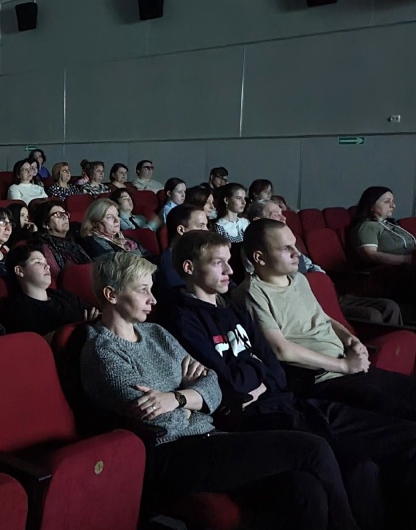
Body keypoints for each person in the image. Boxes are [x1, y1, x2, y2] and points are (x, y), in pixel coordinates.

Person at [80, 252, 361, 530]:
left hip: (208, 436)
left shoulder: (156, 333)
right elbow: (160, 420)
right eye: (143, 290)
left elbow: (212, 383)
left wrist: (178, 398)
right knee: (313, 448)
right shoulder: (103, 352)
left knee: (304, 487)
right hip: (171, 454)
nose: (153, 299)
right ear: (111, 295)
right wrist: (192, 397)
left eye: (152, 290)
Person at [166, 230, 416, 529]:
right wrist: (257, 370)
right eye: (218, 263)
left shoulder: (231, 307)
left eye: (229, 261)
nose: (230, 270)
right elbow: (229, 384)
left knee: (405, 436)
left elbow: (276, 371)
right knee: (359, 467)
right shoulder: (182, 318)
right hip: (258, 418)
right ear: (189, 267)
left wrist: (257, 374)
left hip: (292, 402)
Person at [236, 219, 416, 421]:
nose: (297, 253)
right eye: (286, 248)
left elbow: (323, 318)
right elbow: (281, 350)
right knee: (404, 414)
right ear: (259, 257)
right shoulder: (252, 292)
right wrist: (344, 366)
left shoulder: (299, 279)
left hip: (348, 367)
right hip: (323, 378)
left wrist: (351, 339)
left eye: (295, 245)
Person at [245, 199, 402, 325]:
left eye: (282, 214)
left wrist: (322, 281)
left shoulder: (290, 240)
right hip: (306, 299)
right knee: (372, 315)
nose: (283, 218)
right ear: (258, 221)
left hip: (326, 292)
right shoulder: (253, 249)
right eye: (276, 215)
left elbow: (310, 265)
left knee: (390, 306)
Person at [0, 244, 96, 337]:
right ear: (19, 271)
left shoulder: (63, 295)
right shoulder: (15, 310)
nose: (47, 266)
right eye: (38, 262)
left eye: (46, 262)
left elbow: (94, 314)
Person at [153, 204, 209, 304]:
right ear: (181, 230)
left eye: (206, 225)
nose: (207, 231)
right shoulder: (166, 267)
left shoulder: (204, 255)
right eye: (201, 225)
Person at [348, 186, 415, 267]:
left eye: (392, 201)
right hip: (394, 270)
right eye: (387, 202)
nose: (393, 206)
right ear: (371, 205)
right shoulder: (367, 226)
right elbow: (370, 255)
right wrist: (407, 260)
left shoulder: (390, 224)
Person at [31, 202, 91, 278]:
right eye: (58, 214)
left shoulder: (72, 242)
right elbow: (56, 274)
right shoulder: (44, 246)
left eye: (65, 213)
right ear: (45, 224)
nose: (65, 217)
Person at [79, 198, 148, 259]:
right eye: (109, 217)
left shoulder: (125, 238)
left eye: (117, 215)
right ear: (94, 223)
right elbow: (116, 264)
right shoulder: (93, 243)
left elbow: (147, 255)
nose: (117, 220)